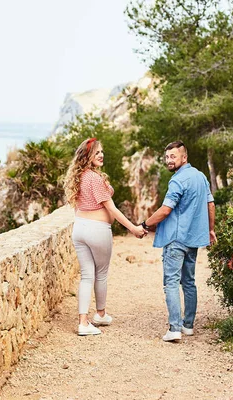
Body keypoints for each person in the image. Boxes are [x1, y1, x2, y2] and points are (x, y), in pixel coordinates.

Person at [64, 137, 147, 336]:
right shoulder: (95, 178)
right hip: (97, 230)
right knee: (100, 274)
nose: (101, 155)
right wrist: (133, 228)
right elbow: (113, 209)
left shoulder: (78, 177)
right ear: (88, 156)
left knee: (86, 275)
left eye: (102, 152)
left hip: (79, 229)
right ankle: (100, 314)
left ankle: (83, 322)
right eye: (97, 152)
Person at [141, 141, 216, 342]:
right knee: (189, 282)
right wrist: (210, 229)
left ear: (184, 157)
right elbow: (210, 204)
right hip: (193, 240)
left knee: (172, 282)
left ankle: (174, 328)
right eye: (167, 157)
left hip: (175, 239)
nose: (169, 160)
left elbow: (165, 210)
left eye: (173, 156)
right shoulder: (200, 177)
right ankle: (188, 325)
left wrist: (145, 225)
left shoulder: (177, 181)